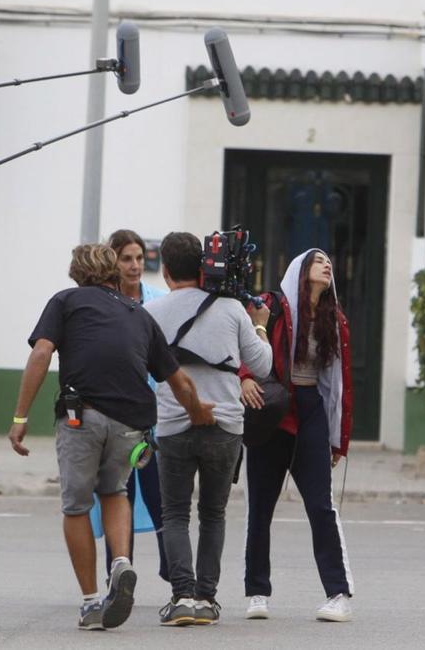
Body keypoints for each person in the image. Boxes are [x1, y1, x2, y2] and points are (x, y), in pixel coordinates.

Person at [9, 243, 209, 631]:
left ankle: (89, 602)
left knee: (76, 506)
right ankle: (121, 561)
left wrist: (20, 416)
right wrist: (198, 413)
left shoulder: (65, 301)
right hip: (132, 422)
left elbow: (42, 352)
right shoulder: (139, 313)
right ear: (113, 272)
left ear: (76, 272)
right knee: (115, 491)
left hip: (80, 417)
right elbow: (178, 378)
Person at [143, 232, 271, 627]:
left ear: (164, 271)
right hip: (226, 425)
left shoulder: (152, 312)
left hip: (173, 424)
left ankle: (182, 597)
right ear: (202, 267)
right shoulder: (232, 309)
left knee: (176, 513)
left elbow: (141, 368)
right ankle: (207, 601)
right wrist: (261, 327)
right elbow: (262, 367)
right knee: (213, 514)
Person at [240, 249, 355, 622]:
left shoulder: (333, 319)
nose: (327, 264)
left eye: (329, 261)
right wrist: (243, 379)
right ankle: (258, 591)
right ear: (301, 270)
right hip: (272, 408)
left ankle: (338, 593)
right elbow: (242, 344)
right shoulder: (272, 306)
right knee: (260, 506)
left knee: (321, 505)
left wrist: (338, 437)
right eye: (317, 260)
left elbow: (339, 383)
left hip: (310, 410)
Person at [104, 229, 168, 584]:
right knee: (120, 494)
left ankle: (172, 569)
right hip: (116, 417)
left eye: (139, 259)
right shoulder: (104, 302)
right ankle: (118, 569)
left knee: (161, 494)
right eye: (126, 258)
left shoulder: (158, 302)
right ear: (112, 259)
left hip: (156, 419)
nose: (134, 266)